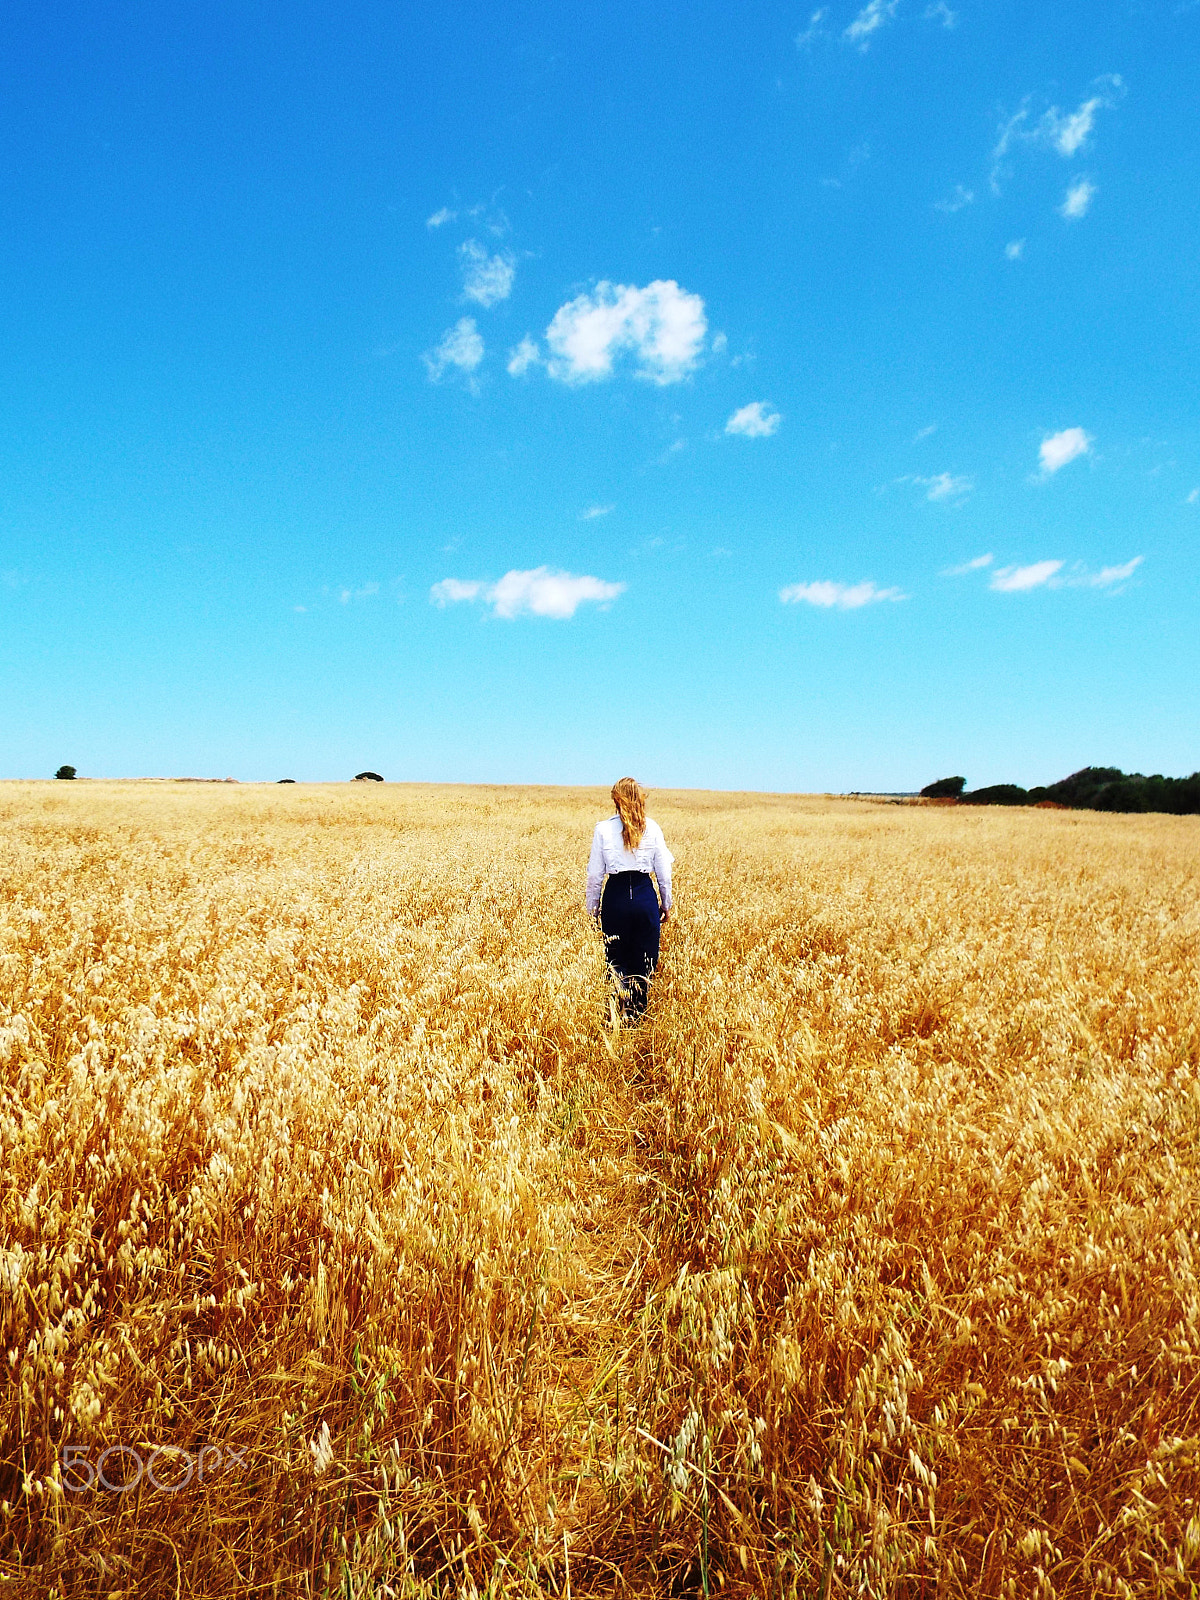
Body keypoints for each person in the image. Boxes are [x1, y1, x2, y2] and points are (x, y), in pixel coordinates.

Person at [585, 777, 674, 1024]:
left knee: (615, 960)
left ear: (616, 799)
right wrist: (666, 904)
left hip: (615, 897)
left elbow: (594, 875)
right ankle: (637, 1019)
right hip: (645, 895)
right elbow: (664, 872)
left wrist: (592, 909)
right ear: (640, 798)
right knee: (645, 962)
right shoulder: (653, 828)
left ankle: (615, 1019)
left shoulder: (602, 829)